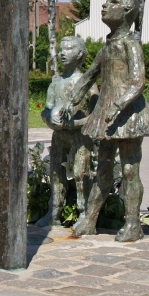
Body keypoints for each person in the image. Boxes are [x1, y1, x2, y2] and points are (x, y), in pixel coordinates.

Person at [67, 0, 149, 242]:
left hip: (128, 116)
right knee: (103, 170)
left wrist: (120, 104)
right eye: (106, 1)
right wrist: (73, 99)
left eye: (113, 2)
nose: (105, 6)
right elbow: (89, 75)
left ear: (127, 11)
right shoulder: (108, 46)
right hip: (106, 116)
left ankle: (132, 225)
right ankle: (90, 220)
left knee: (130, 170)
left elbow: (139, 81)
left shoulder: (131, 43)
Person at [41, 35, 96, 224]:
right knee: (55, 172)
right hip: (59, 136)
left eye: (68, 49)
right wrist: (49, 119)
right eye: (61, 49)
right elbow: (47, 108)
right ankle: (53, 212)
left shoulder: (87, 83)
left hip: (81, 137)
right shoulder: (55, 83)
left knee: (81, 174)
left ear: (80, 54)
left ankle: (84, 213)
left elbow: (97, 115)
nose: (62, 53)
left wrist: (75, 124)